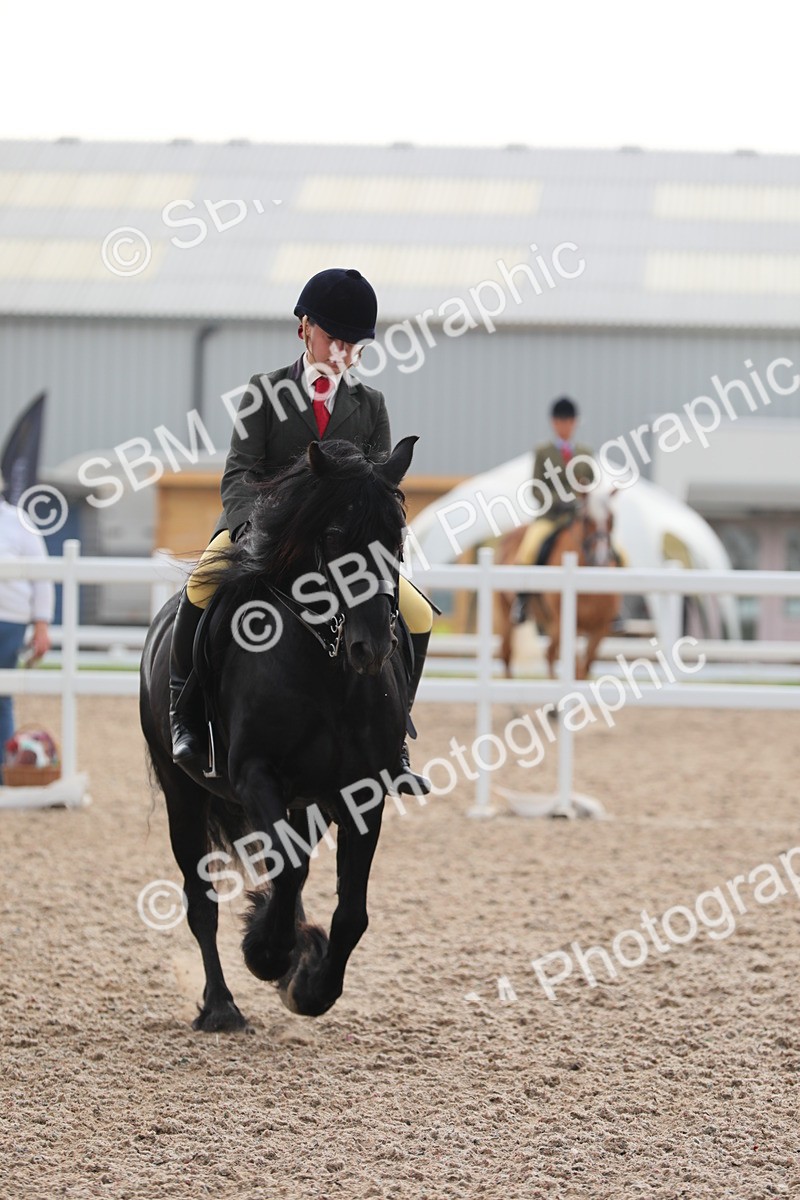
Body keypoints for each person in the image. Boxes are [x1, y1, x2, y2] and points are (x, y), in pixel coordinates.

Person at [169, 268, 433, 793]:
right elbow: (240, 470)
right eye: (333, 338)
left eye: (353, 345)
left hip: (340, 547)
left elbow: (377, 481)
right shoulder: (263, 392)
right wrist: (256, 527)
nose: (341, 352)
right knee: (199, 586)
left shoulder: (370, 405)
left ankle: (394, 734)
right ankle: (188, 716)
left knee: (419, 613)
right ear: (304, 327)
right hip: (265, 535)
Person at [512, 396, 596, 623]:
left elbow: (591, 484)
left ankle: (614, 607)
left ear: (575, 423)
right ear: (554, 423)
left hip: (577, 518)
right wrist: (560, 499)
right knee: (528, 549)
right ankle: (522, 601)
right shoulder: (543, 451)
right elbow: (536, 489)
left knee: (611, 548)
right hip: (551, 516)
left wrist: (582, 498)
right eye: (561, 421)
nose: (565, 426)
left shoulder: (585, 453)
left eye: (569, 421)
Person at [0, 480, 54, 773]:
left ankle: (4, 771)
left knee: (2, 695)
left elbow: (42, 576)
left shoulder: (19, 522)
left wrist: (41, 625)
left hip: (10, 619)